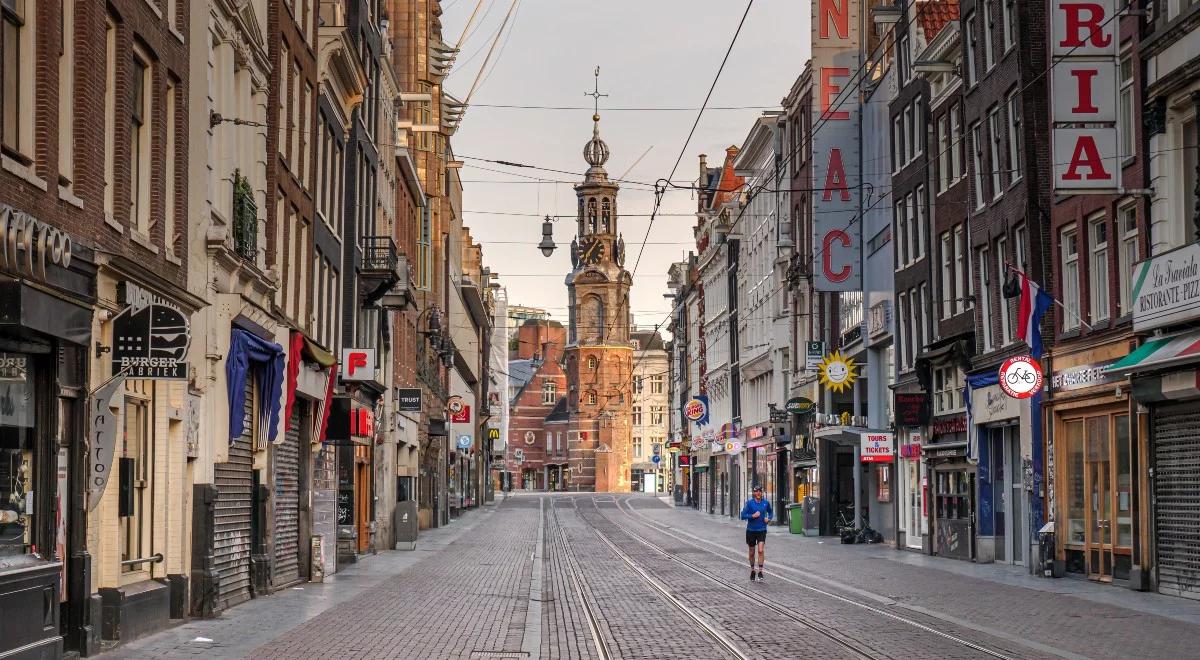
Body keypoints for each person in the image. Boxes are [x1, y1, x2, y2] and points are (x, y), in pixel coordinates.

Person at [740, 485, 772, 581]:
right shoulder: (749, 503)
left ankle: (761, 571)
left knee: (761, 550)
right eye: (756, 491)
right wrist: (752, 515)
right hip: (751, 531)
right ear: (754, 493)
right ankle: (753, 570)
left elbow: (770, 512)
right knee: (752, 552)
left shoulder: (766, 503)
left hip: (762, 530)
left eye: (760, 491)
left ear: (761, 493)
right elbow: (742, 515)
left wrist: (769, 519)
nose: (758, 493)